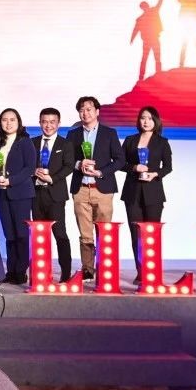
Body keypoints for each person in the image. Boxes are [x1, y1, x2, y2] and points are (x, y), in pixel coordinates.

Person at [65, 96, 125, 281]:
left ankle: (105, 269)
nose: (85, 113)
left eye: (89, 109)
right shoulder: (73, 135)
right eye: (81, 110)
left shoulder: (109, 133)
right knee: (85, 234)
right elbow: (67, 160)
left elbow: (120, 160)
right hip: (81, 188)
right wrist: (78, 164)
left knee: (104, 232)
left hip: (103, 189)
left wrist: (100, 172)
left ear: (97, 111)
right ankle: (88, 269)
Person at [122, 106, 173, 286]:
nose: (146, 121)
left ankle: (153, 271)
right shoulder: (130, 140)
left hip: (154, 193)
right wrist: (134, 167)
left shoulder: (162, 142)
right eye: (143, 118)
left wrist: (155, 174)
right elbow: (120, 163)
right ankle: (141, 272)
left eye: (150, 118)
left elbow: (168, 167)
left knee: (152, 234)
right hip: (132, 193)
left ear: (156, 121)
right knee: (136, 235)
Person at [0, 108, 36, 285]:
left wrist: (10, 181)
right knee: (9, 234)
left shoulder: (25, 142)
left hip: (21, 193)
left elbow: (30, 168)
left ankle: (21, 271)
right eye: (5, 120)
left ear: (18, 122)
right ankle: (10, 270)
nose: (8, 123)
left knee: (21, 234)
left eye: (12, 119)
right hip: (3, 194)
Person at [31, 107, 74, 283]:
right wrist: (33, 171)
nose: (48, 125)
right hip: (36, 194)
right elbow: (26, 165)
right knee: (39, 236)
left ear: (58, 123)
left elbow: (69, 166)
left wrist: (52, 178)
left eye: (52, 122)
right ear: (40, 123)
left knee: (60, 234)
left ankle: (65, 273)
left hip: (56, 195)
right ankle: (41, 273)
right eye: (45, 122)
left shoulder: (65, 144)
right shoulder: (32, 143)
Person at [129, 0, 164, 81]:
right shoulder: (140, 19)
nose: (145, 7)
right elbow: (135, 30)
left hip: (154, 38)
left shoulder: (154, 11)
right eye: (144, 6)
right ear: (142, 8)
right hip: (147, 41)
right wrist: (132, 38)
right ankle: (141, 77)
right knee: (145, 59)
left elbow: (160, 1)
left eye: (146, 5)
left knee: (156, 58)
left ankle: (158, 73)